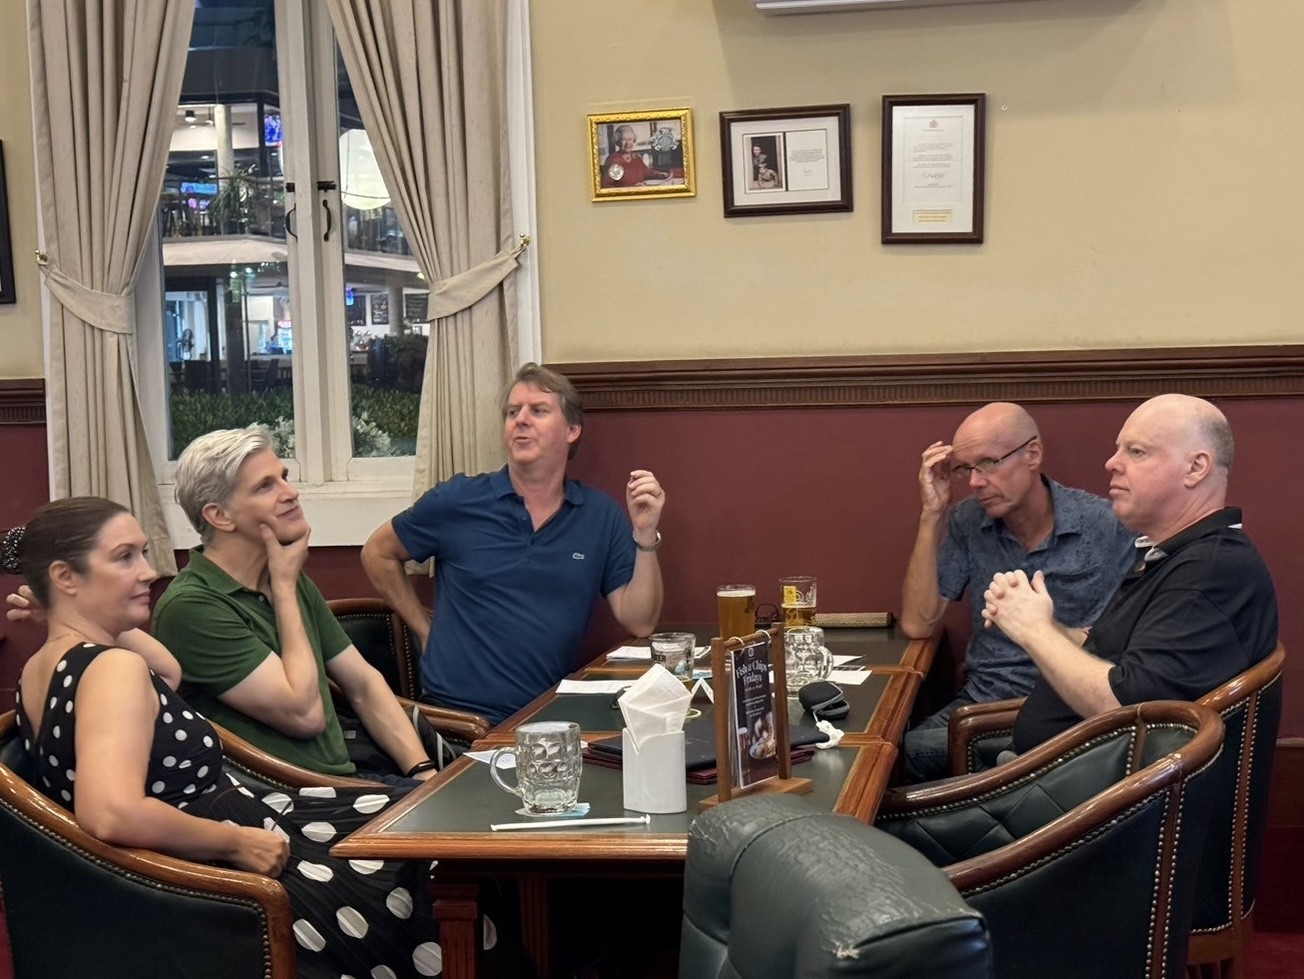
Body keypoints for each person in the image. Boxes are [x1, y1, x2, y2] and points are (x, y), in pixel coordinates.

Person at [2, 497, 494, 978]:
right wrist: (237, 842)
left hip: (225, 840)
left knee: (411, 814)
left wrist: (67, 612)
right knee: (431, 854)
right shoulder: (112, 670)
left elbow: (167, 672)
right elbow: (110, 812)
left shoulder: (42, 668)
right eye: (124, 557)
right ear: (65, 576)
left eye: (143, 553)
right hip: (219, 870)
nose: (149, 572)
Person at [362, 362, 665, 726]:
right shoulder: (457, 501)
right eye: (512, 412)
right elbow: (377, 553)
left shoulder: (599, 514)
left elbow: (640, 621)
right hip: (456, 721)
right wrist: (423, 628)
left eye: (538, 410)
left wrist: (645, 535)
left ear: (571, 430)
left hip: (548, 718)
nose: (521, 419)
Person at [983, 394, 1279, 754]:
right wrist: (1038, 619)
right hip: (1051, 770)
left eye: (1137, 452)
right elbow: (1112, 662)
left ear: (1195, 468)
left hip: (1083, 788)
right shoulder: (1173, 555)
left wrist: (1033, 630)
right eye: (1118, 450)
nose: (1111, 463)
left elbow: (1126, 708)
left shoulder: (1212, 572)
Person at [151, 425, 441, 782]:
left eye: (284, 477)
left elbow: (363, 685)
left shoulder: (283, 576)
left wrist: (422, 771)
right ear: (220, 516)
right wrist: (285, 588)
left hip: (351, 777)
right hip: (289, 795)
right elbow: (305, 715)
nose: (291, 493)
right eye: (265, 486)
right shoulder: (190, 608)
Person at [898, 402, 1136, 781]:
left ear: (1033, 454)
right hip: (981, 702)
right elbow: (918, 623)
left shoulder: (1106, 525)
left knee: (894, 758)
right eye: (966, 469)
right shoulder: (968, 521)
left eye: (989, 463)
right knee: (889, 753)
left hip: (1065, 711)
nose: (975, 482)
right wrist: (933, 513)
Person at [600, 123, 672, 188]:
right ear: (618, 141)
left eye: (630, 140)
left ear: (633, 140)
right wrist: (631, 188)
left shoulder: (636, 157)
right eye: (624, 140)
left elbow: (647, 172)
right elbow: (606, 186)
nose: (628, 143)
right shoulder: (613, 160)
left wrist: (661, 175)